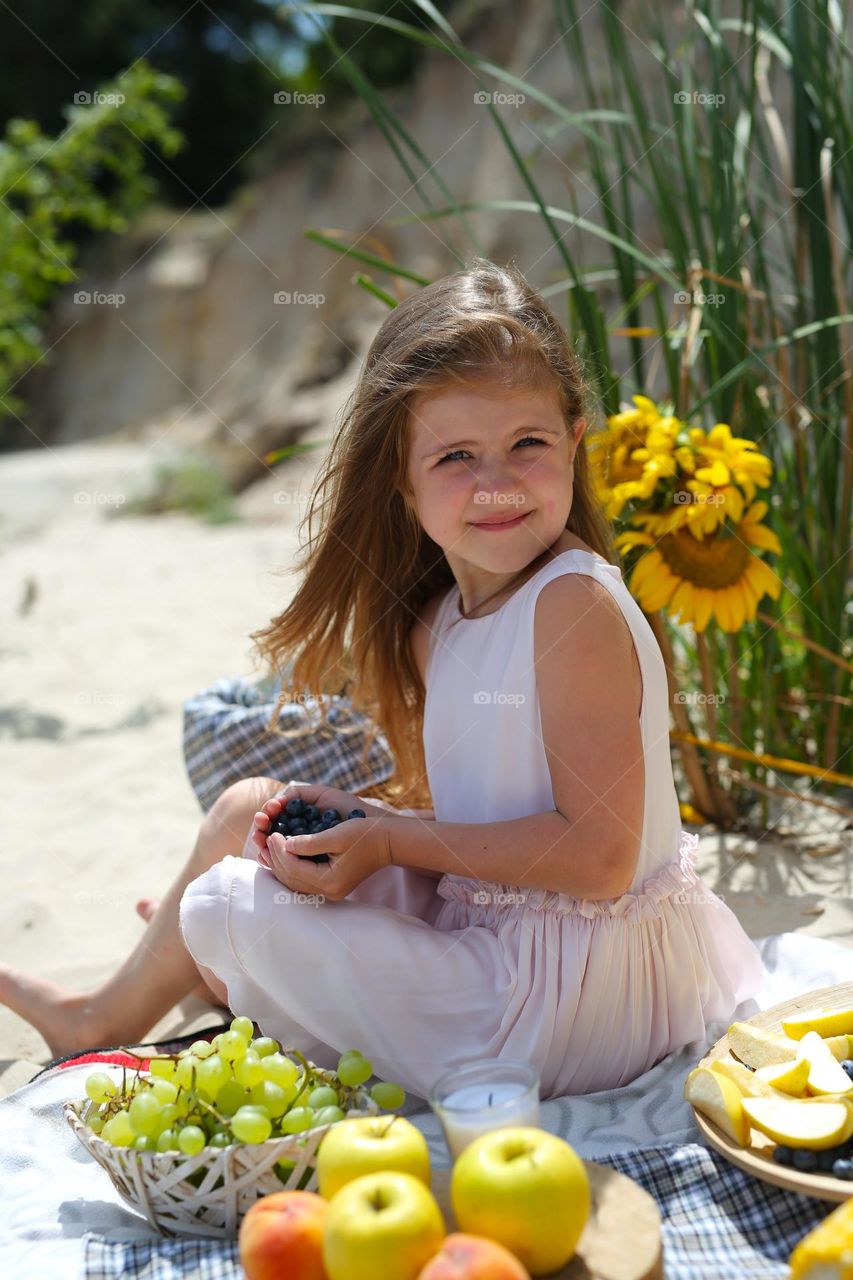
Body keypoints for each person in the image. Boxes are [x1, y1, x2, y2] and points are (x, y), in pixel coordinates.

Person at [1, 258, 763, 1099]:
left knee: (223, 908)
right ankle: (102, 1015)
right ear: (399, 480)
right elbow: (490, 820)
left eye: (528, 445)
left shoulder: (571, 604)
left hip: (582, 1005)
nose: (497, 483)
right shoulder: (437, 624)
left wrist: (392, 840)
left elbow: (602, 860)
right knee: (245, 811)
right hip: (510, 931)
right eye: (455, 458)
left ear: (575, 439)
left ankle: (212, 972)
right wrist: (375, 827)